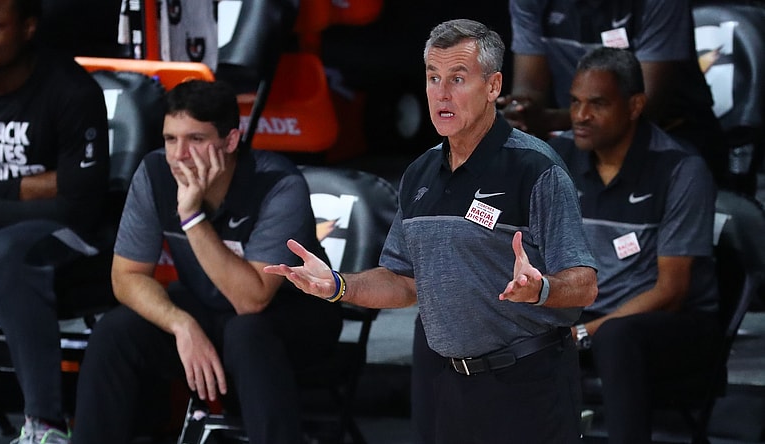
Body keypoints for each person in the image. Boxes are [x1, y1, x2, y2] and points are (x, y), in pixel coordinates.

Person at [265, 19, 598, 443]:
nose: (441, 93)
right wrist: (337, 285)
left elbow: (584, 284)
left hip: (527, 382)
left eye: (458, 79)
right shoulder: (419, 173)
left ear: (493, 86)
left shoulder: (535, 168)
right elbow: (403, 283)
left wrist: (541, 289)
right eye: (433, 78)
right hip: (445, 385)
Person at [71, 79, 342, 444]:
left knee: (246, 333)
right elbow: (126, 277)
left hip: (294, 315)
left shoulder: (278, 184)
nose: (179, 154)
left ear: (231, 141)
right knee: (116, 331)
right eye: (170, 139)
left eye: (196, 140)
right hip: (209, 310)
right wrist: (181, 324)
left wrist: (192, 217)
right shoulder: (154, 174)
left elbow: (253, 299)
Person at [549, 47, 722, 443]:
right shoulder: (556, 159)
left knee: (617, 337)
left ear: (635, 106)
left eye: (597, 104)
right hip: (582, 317)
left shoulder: (680, 169)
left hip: (669, 327)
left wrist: (584, 333)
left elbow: (671, 292)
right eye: (575, 102)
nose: (580, 116)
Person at [0, 0, 110, 442]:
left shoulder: (71, 90)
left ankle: (46, 427)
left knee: (2, 254)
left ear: (28, 28)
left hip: (71, 234)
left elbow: (76, 204)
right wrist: (26, 187)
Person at [501, 0, 730, 190]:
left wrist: (549, 119)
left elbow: (645, 104)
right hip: (580, 139)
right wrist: (520, 114)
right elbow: (530, 89)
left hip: (670, 135)